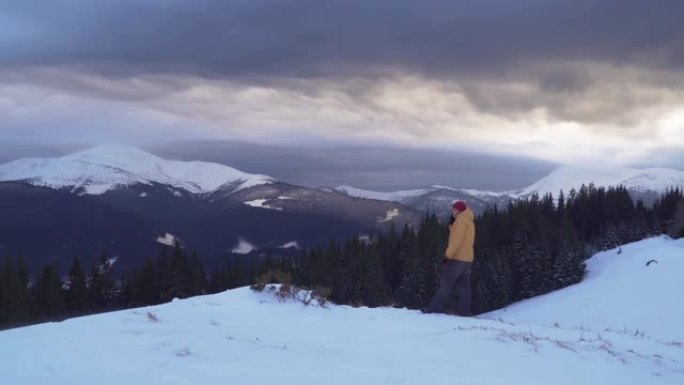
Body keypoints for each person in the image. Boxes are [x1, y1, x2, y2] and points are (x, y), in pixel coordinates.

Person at [423, 200, 476, 315]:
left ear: (459, 210)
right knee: (464, 288)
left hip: (457, 258)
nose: (452, 210)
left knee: (446, 284)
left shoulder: (461, 221)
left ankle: (433, 310)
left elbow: (456, 241)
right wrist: (452, 224)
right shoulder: (469, 222)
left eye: (454, 209)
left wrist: (448, 255)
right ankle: (464, 312)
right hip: (468, 259)